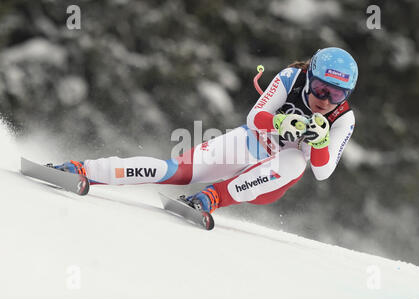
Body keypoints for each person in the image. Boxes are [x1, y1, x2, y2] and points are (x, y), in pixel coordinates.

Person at [54, 47, 358, 215]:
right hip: (254, 141)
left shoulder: (344, 119)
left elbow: (322, 172)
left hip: (273, 178)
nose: (325, 100)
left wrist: (319, 140)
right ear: (310, 77)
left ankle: (212, 197)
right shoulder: (292, 77)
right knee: (176, 171)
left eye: (337, 95)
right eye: (320, 89)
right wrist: (278, 122)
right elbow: (255, 118)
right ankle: (85, 169)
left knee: (294, 160)